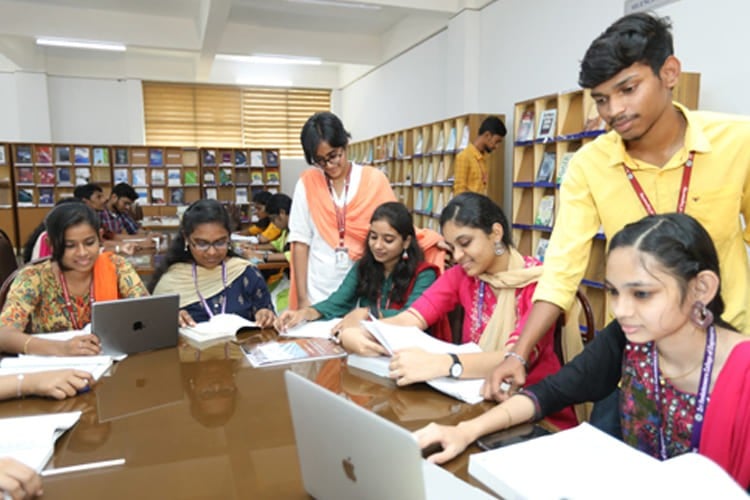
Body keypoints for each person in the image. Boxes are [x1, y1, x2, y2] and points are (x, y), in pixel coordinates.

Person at [488, 12, 750, 400]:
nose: (614, 111)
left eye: (628, 89)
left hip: (730, 346)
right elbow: (561, 269)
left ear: (670, 72)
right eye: (601, 99)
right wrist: (518, 353)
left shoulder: (738, 141)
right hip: (641, 352)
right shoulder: (587, 166)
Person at [416, 213, 750, 489]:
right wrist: (463, 431)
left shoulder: (742, 373)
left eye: (642, 294)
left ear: (701, 288)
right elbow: (551, 391)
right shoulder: (631, 339)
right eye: (615, 293)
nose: (621, 310)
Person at [345, 193, 576, 428]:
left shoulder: (539, 286)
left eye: (465, 244)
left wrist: (443, 364)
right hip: (475, 401)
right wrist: (357, 331)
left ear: (496, 233)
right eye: (452, 247)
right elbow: (410, 318)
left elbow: (513, 357)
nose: (456, 256)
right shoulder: (463, 275)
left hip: (535, 410)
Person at [276, 202, 439, 353]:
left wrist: (368, 313)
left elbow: (413, 316)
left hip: (408, 351)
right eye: (373, 237)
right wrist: (304, 314)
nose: (377, 245)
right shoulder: (364, 267)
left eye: (388, 240)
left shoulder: (424, 274)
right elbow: (337, 302)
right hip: (366, 347)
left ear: (406, 242)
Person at [0, 203, 148, 356]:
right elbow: (4, 335)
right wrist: (60, 349)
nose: (82, 253)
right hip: (53, 371)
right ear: (51, 245)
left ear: (100, 236)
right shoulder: (33, 278)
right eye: (70, 246)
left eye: (89, 243)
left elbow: (147, 312)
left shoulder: (116, 267)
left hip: (110, 364)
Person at [288, 111, 399, 309]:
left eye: (333, 156)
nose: (329, 165)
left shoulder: (373, 180)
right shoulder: (307, 183)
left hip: (364, 289)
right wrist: (303, 299)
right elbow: (300, 242)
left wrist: (433, 241)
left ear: (345, 144)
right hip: (317, 292)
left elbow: (396, 227)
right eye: (320, 160)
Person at [150, 199, 275, 328]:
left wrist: (266, 315)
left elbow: (268, 321)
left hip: (241, 347)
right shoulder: (173, 279)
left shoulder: (245, 273)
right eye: (202, 244)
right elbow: (152, 328)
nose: (211, 252)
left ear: (229, 237)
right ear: (186, 239)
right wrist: (169, 319)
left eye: (220, 242)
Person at [453, 116, 506, 195]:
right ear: (487, 135)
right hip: (469, 207)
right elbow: (459, 192)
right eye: (497, 141)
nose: (496, 146)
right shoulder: (464, 157)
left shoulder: (484, 158)